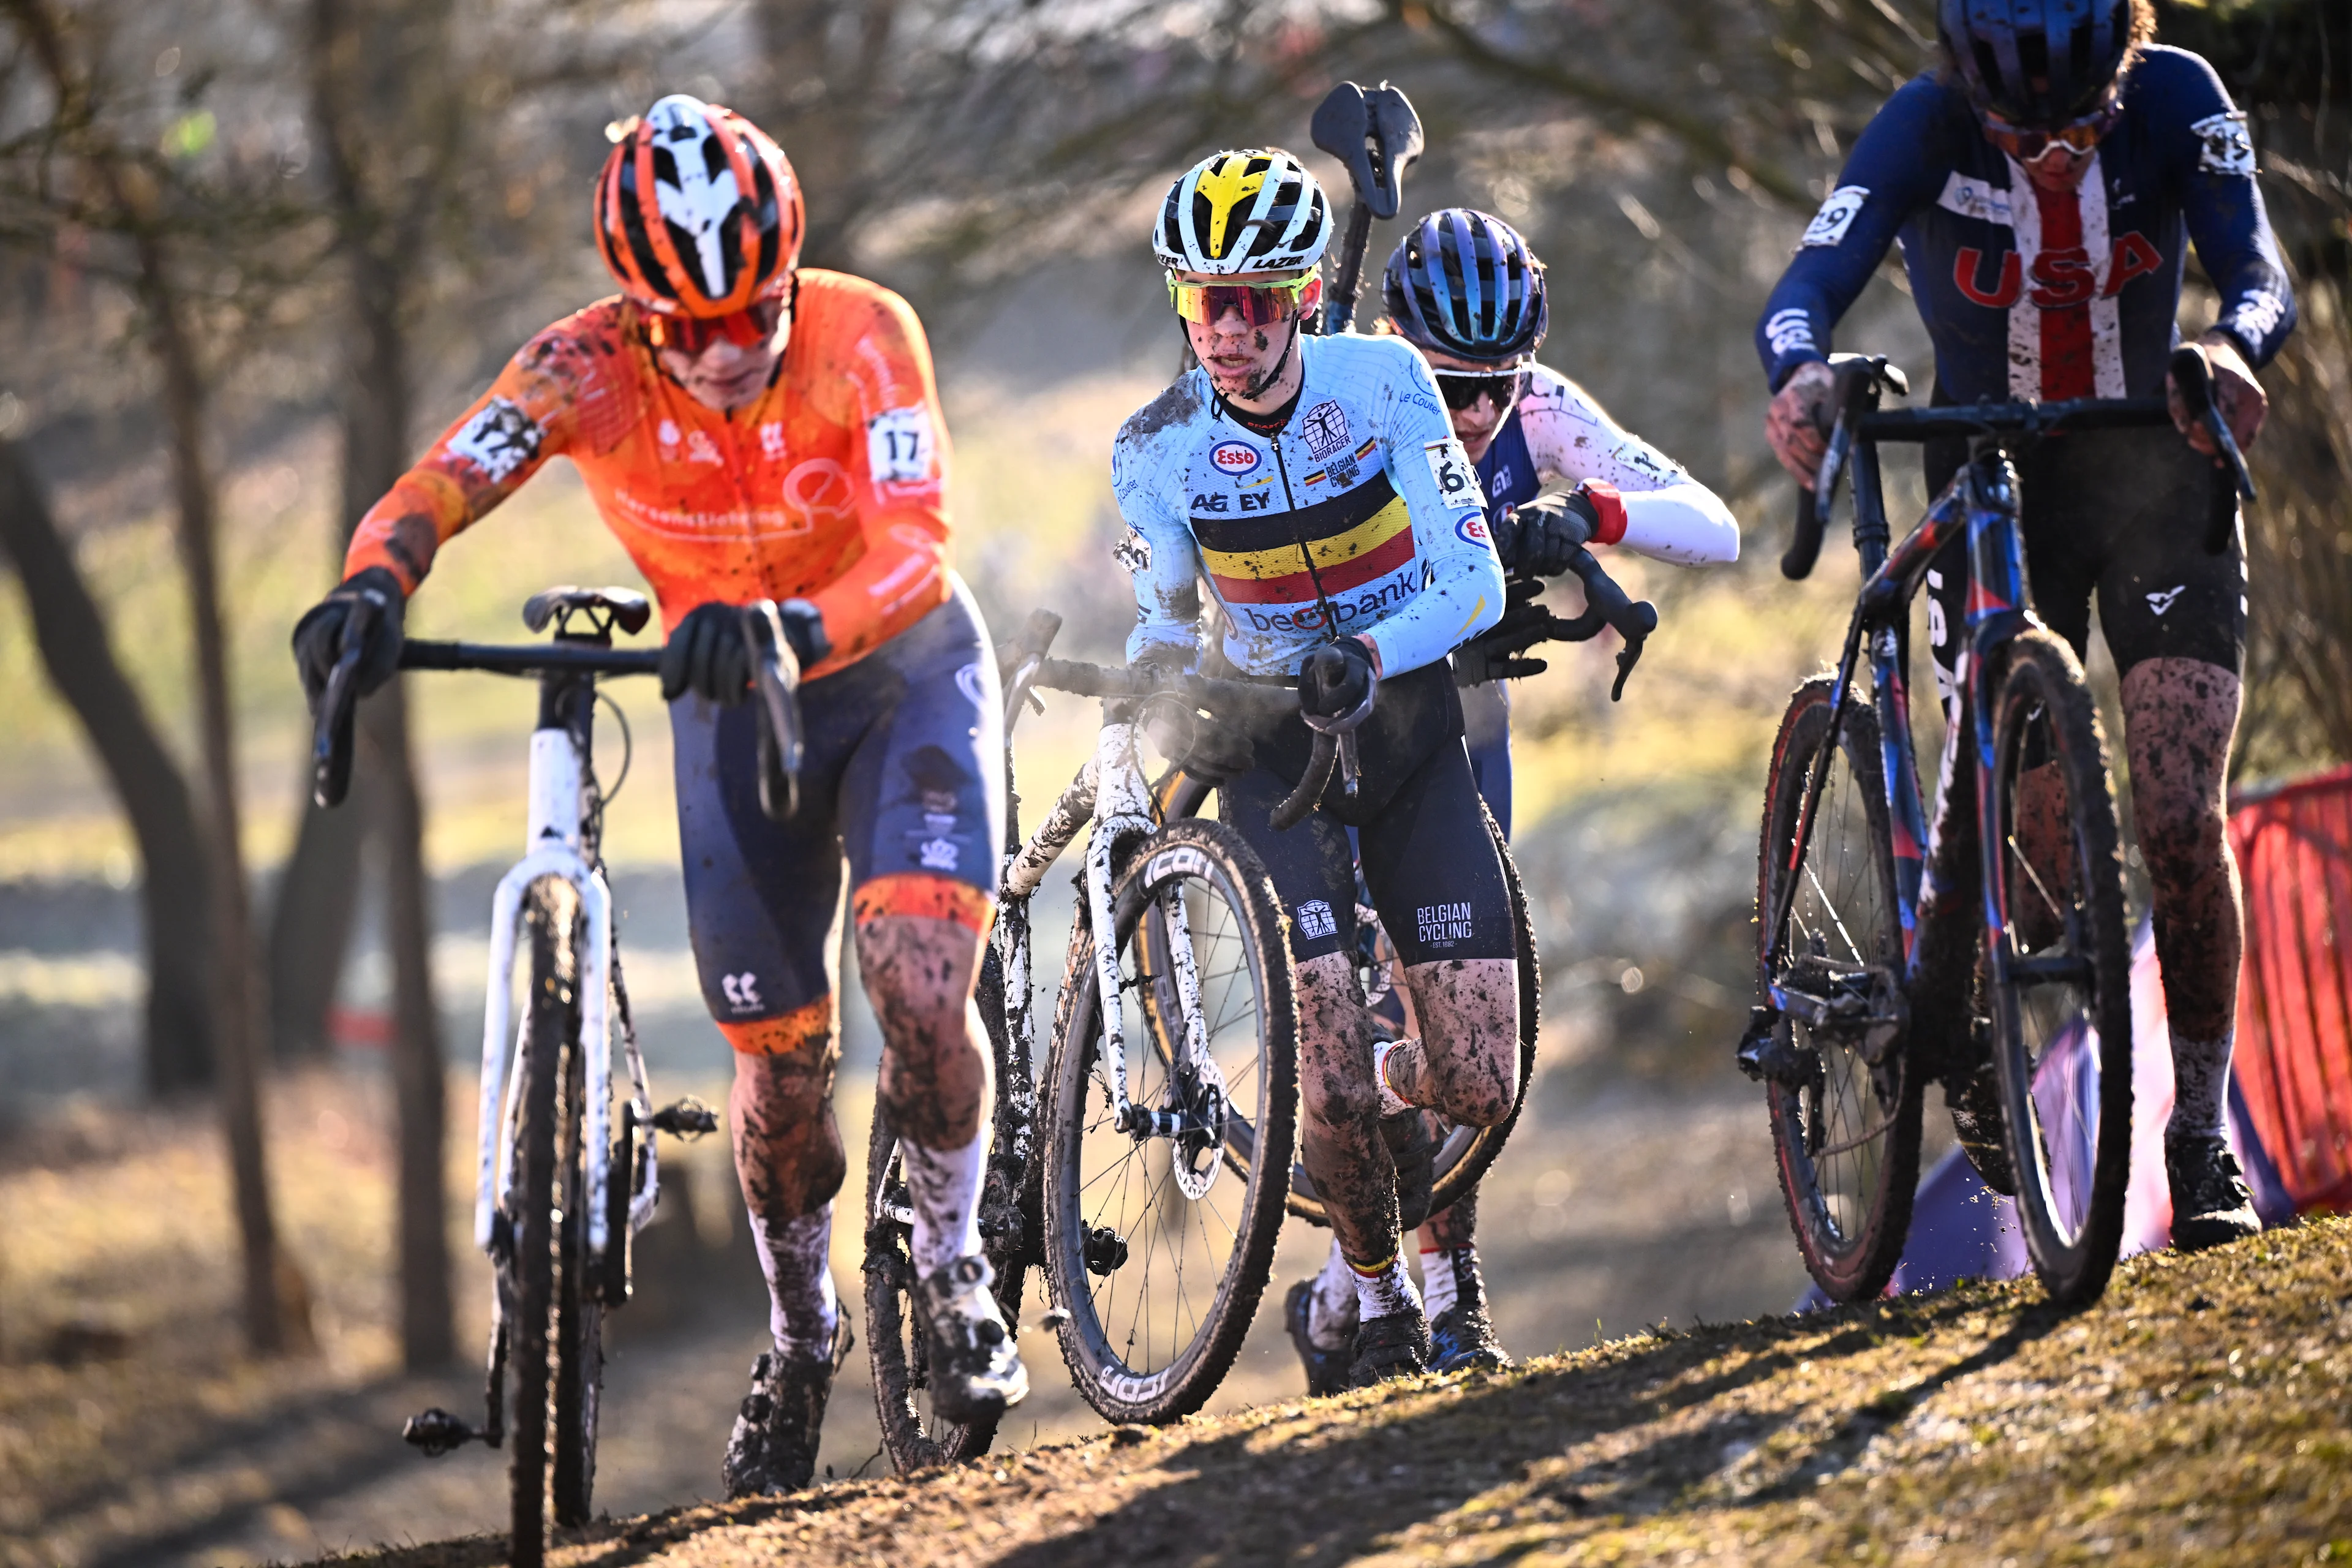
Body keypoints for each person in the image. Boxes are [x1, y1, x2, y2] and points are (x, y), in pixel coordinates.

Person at [290, 94, 1024, 1495]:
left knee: (921, 985)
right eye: (681, 324)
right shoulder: (585, 366)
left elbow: (917, 548)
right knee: (780, 1058)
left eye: (749, 310)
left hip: (897, 677)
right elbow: (446, 478)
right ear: (634, 308)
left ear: (790, 270)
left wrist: (795, 632)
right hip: (727, 701)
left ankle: (951, 1263)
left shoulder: (863, 334)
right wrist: (376, 578)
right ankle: (803, 1329)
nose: (723, 347)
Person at [1754, 0, 2297, 1250]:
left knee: (2176, 814)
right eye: (2019, 130)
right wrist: (1798, 373)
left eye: (2084, 124)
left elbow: (2256, 265)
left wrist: (2233, 345)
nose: (2053, 152)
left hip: (2157, 470)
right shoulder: (1923, 119)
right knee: (2037, 882)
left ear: (2123, 60)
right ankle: (1972, 1018)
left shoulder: (2177, 96)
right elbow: (1807, 286)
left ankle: (2199, 1135)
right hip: (1993, 478)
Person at [1283, 208, 1741, 1389]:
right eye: (1452, 383)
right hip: (1326, 727)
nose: (1479, 410)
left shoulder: (1540, 411)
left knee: (1462, 1024)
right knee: (1373, 1012)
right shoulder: (1342, 391)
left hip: (1456, 726)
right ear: (1394, 339)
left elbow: (1716, 528)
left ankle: (1352, 1292)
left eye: (1498, 382)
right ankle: (1425, 1291)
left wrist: (1587, 512)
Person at [1114, 148, 1518, 1387]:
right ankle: (1380, 1297)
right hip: (1273, 753)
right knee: (1329, 1085)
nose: (1227, 329)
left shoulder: (1389, 382)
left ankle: (1393, 1094)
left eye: (1253, 300)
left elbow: (1476, 580)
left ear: (1298, 298)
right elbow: (1166, 617)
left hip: (1404, 735)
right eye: (1204, 300)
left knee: (1479, 1080)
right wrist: (1155, 668)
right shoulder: (1156, 445)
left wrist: (1370, 647)